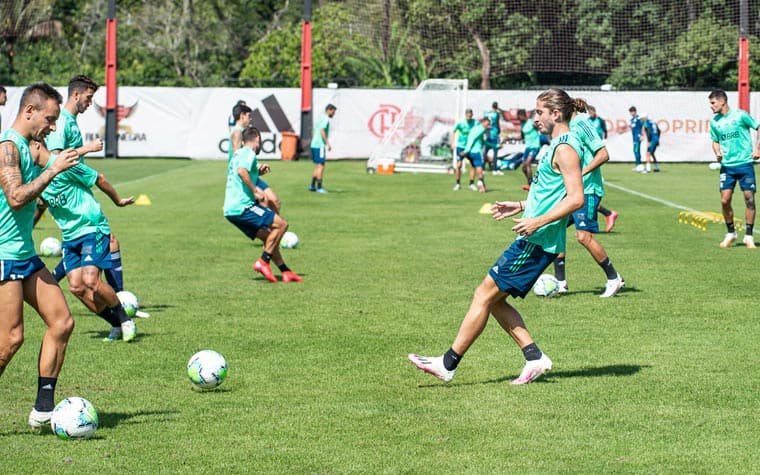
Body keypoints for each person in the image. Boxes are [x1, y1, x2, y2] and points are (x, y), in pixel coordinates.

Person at [408, 88, 585, 385]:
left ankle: (448, 364)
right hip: (534, 234)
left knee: (483, 295)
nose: (535, 118)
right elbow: (551, 194)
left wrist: (536, 221)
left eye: (539, 112)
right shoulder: (555, 144)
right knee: (493, 299)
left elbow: (576, 198)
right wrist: (519, 205)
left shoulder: (565, 148)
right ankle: (533, 357)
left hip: (538, 240)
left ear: (556, 114)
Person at [0, 82, 80, 427]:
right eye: (49, 119)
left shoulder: (31, 147)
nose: (51, 126)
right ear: (29, 111)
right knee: (11, 338)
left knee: (62, 322)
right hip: (3, 255)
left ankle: (43, 409)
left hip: (26, 255)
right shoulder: (7, 147)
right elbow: (16, 196)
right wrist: (52, 170)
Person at [39, 75, 129, 297]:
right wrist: (87, 149)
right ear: (76, 94)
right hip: (68, 188)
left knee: (105, 242)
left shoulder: (69, 121)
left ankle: (117, 297)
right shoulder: (61, 123)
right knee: (101, 241)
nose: (90, 104)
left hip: (74, 183)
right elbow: (57, 157)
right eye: (88, 99)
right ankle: (118, 300)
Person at [553, 99, 624, 297]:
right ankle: (560, 283)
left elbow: (603, 154)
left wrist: (581, 172)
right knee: (554, 228)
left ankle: (613, 278)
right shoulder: (569, 127)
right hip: (573, 189)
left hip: (588, 189)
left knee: (583, 236)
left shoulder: (582, 123)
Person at [225, 127, 303, 283]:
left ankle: (285, 271)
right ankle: (263, 262)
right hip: (243, 207)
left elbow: (243, 170)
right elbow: (241, 171)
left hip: (231, 210)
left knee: (269, 238)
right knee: (281, 225)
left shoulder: (240, 153)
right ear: (257, 139)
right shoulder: (248, 153)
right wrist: (255, 190)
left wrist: (258, 171)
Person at [708, 89, 759, 249]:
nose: (711, 106)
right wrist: (717, 152)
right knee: (724, 200)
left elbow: (758, 127)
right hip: (727, 167)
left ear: (722, 101)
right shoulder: (715, 122)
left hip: (745, 164)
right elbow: (715, 140)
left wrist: (758, 148)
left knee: (749, 199)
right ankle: (731, 233)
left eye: (713, 103)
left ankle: (749, 236)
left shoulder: (740, 115)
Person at [229, 103, 281, 213]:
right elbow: (237, 157)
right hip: (245, 174)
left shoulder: (243, 131)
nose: (250, 119)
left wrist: (257, 167)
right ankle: (271, 228)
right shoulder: (238, 132)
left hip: (252, 172)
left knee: (275, 202)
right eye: (249, 116)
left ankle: (275, 228)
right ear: (242, 115)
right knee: (265, 202)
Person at [586, 105, 618, 232]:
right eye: (589, 111)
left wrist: (604, 140)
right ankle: (607, 215)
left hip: (596, 149)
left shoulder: (600, 120)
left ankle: (605, 216)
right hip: (591, 150)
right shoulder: (587, 121)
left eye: (592, 111)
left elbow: (604, 131)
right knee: (583, 197)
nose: (591, 113)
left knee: (585, 196)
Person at [309, 104, 336, 194]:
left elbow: (313, 130)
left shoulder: (320, 117)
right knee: (321, 166)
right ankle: (319, 187)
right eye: (333, 111)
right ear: (329, 110)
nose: (334, 113)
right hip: (319, 145)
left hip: (314, 144)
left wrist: (314, 139)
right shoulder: (325, 119)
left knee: (318, 165)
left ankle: (312, 186)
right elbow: (322, 131)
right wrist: (327, 143)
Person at [460, 116, 489, 192]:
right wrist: (466, 150)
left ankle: (471, 184)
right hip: (476, 152)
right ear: (483, 122)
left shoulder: (476, 128)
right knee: (480, 168)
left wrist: (495, 146)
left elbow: (482, 141)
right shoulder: (481, 129)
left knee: (473, 167)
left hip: (470, 152)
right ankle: (481, 184)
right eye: (487, 123)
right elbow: (472, 138)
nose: (488, 125)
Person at [451, 108, 477, 191]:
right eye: (468, 115)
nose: (469, 116)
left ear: (472, 115)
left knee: (473, 165)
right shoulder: (460, 123)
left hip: (471, 147)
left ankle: (471, 184)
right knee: (459, 165)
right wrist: (452, 142)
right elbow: (453, 131)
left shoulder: (475, 123)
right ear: (466, 115)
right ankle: (457, 183)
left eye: (470, 115)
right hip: (461, 146)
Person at [518, 109, 541, 191]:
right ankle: (530, 183)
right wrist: (508, 138)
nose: (519, 118)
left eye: (520, 117)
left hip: (535, 146)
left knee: (527, 164)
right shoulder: (522, 125)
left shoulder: (531, 122)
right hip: (528, 148)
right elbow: (521, 137)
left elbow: (539, 128)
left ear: (524, 115)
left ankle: (531, 184)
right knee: (523, 167)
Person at [484, 102, 504, 175]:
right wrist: (499, 131)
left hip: (488, 135)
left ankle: (483, 169)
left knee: (485, 153)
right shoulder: (497, 114)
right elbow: (497, 124)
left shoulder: (487, 113)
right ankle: (495, 169)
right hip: (494, 134)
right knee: (495, 153)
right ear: (497, 107)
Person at [629, 106, 644, 172]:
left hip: (638, 137)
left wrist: (642, 135)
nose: (631, 113)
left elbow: (643, 126)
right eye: (630, 112)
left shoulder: (638, 118)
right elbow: (631, 127)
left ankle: (638, 165)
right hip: (634, 137)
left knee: (636, 150)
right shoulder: (632, 120)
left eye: (632, 112)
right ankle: (638, 165)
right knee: (635, 151)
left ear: (635, 111)